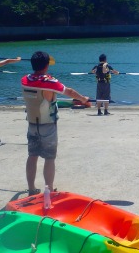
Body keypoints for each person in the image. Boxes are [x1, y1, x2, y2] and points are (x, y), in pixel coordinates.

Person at [21, 51, 89, 196]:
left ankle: (31, 189)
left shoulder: (25, 80)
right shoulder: (49, 82)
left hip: (32, 124)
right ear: (46, 66)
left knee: (32, 156)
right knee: (49, 158)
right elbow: (69, 91)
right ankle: (49, 190)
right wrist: (83, 99)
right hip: (48, 126)